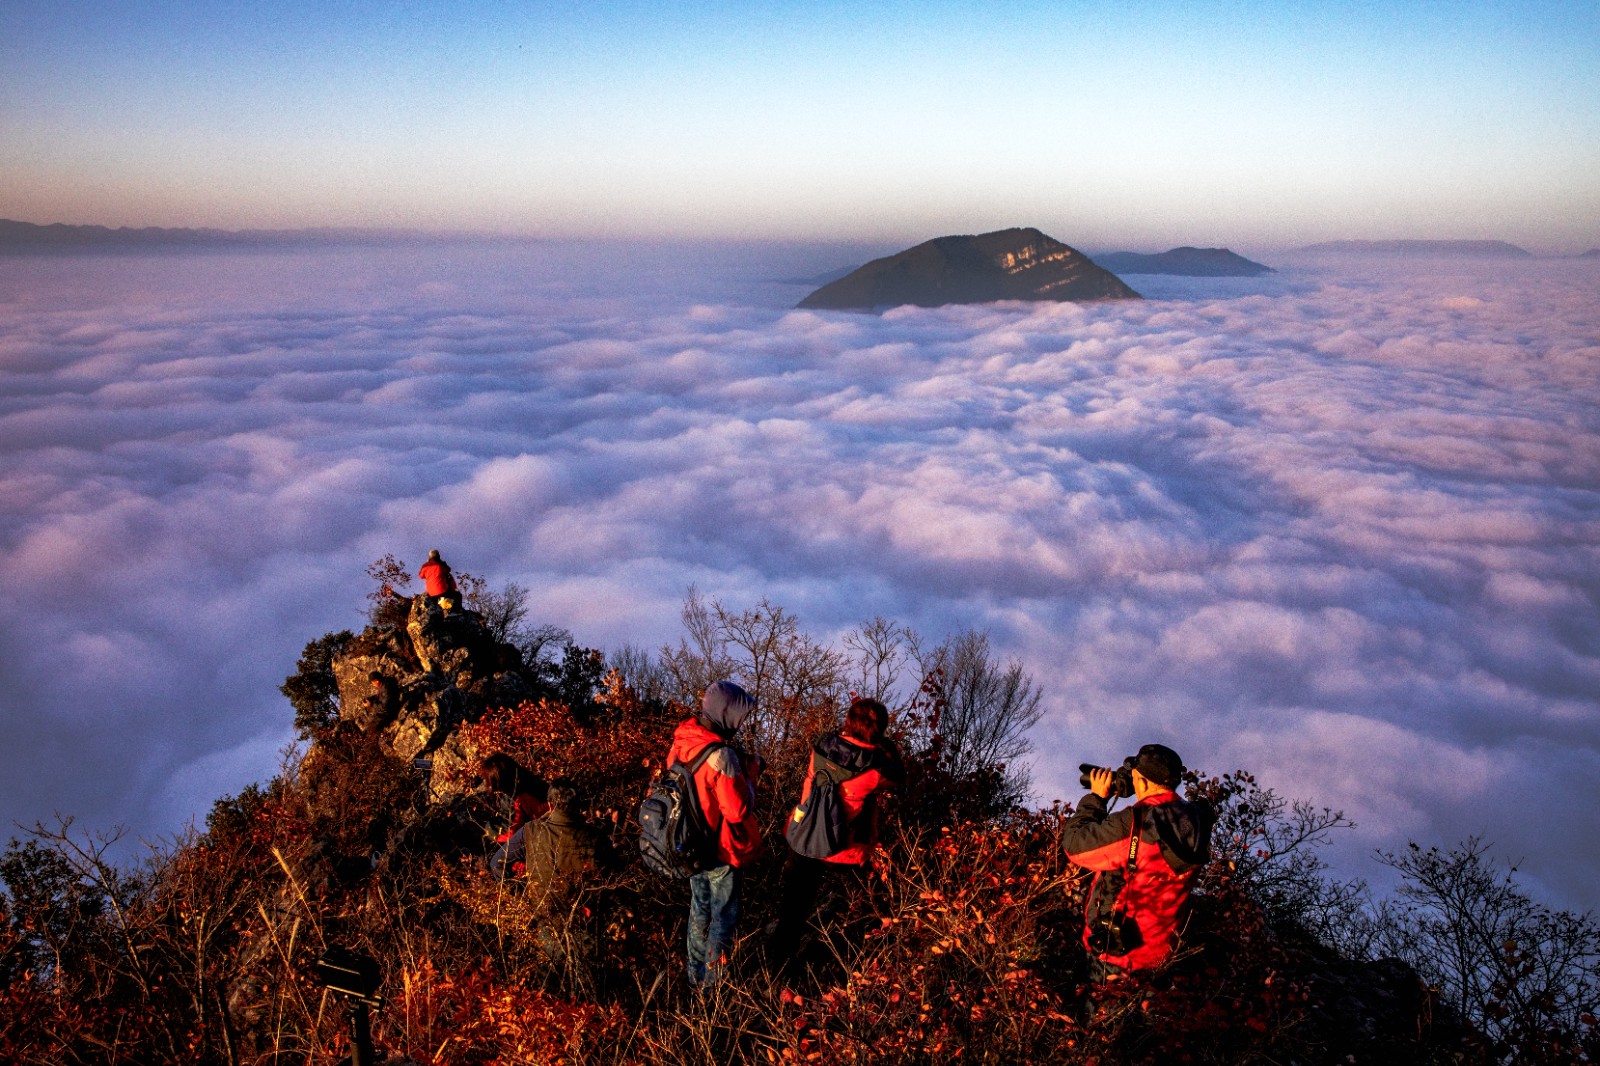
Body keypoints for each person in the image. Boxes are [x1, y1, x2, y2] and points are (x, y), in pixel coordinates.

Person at [767, 697, 903, 973]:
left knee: (793, 909)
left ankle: (776, 968)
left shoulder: (821, 745)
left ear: (849, 720)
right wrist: (887, 747)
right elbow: (899, 778)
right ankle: (832, 959)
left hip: (802, 833)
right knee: (863, 901)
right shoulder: (875, 769)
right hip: (841, 847)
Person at [1060, 743, 1214, 981]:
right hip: (1161, 950)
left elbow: (1075, 845)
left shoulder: (1137, 823)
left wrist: (1096, 798)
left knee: (1105, 1016)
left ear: (1140, 782)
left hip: (1116, 957)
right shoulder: (1196, 817)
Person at [666, 679, 764, 988]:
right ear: (727, 713)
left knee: (700, 911)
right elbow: (736, 811)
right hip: (719, 849)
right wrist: (750, 776)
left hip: (690, 843)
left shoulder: (682, 740)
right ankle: (713, 990)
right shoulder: (722, 756)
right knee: (722, 919)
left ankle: (694, 979)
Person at [489, 783, 618, 990]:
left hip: (545, 920)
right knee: (588, 998)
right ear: (579, 804)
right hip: (586, 924)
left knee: (548, 995)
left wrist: (519, 895)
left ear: (550, 804)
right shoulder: (596, 837)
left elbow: (497, 863)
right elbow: (614, 876)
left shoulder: (531, 831)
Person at [479, 752, 549, 861]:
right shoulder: (528, 779)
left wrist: (488, 832)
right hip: (544, 829)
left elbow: (512, 831)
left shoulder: (518, 796)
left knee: (496, 863)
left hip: (541, 837)